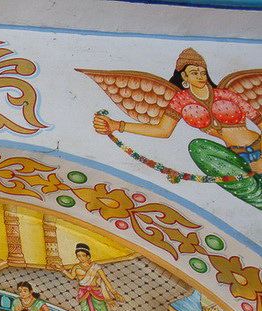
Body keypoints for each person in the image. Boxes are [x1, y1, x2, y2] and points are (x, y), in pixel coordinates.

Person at [91, 48, 262, 209]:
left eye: (202, 72)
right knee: (198, 146)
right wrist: (118, 125)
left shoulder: (226, 94)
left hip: (258, 145)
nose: (200, 76)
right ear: (184, 76)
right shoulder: (181, 100)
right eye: (194, 73)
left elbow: (258, 120)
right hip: (236, 157)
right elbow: (162, 131)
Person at [58, 243, 124, 311]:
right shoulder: (76, 267)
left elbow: (105, 280)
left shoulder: (95, 267)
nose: (81, 258)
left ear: (88, 256)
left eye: (83, 255)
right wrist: (62, 269)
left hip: (95, 292)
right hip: (83, 293)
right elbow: (72, 277)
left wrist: (114, 293)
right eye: (78, 256)